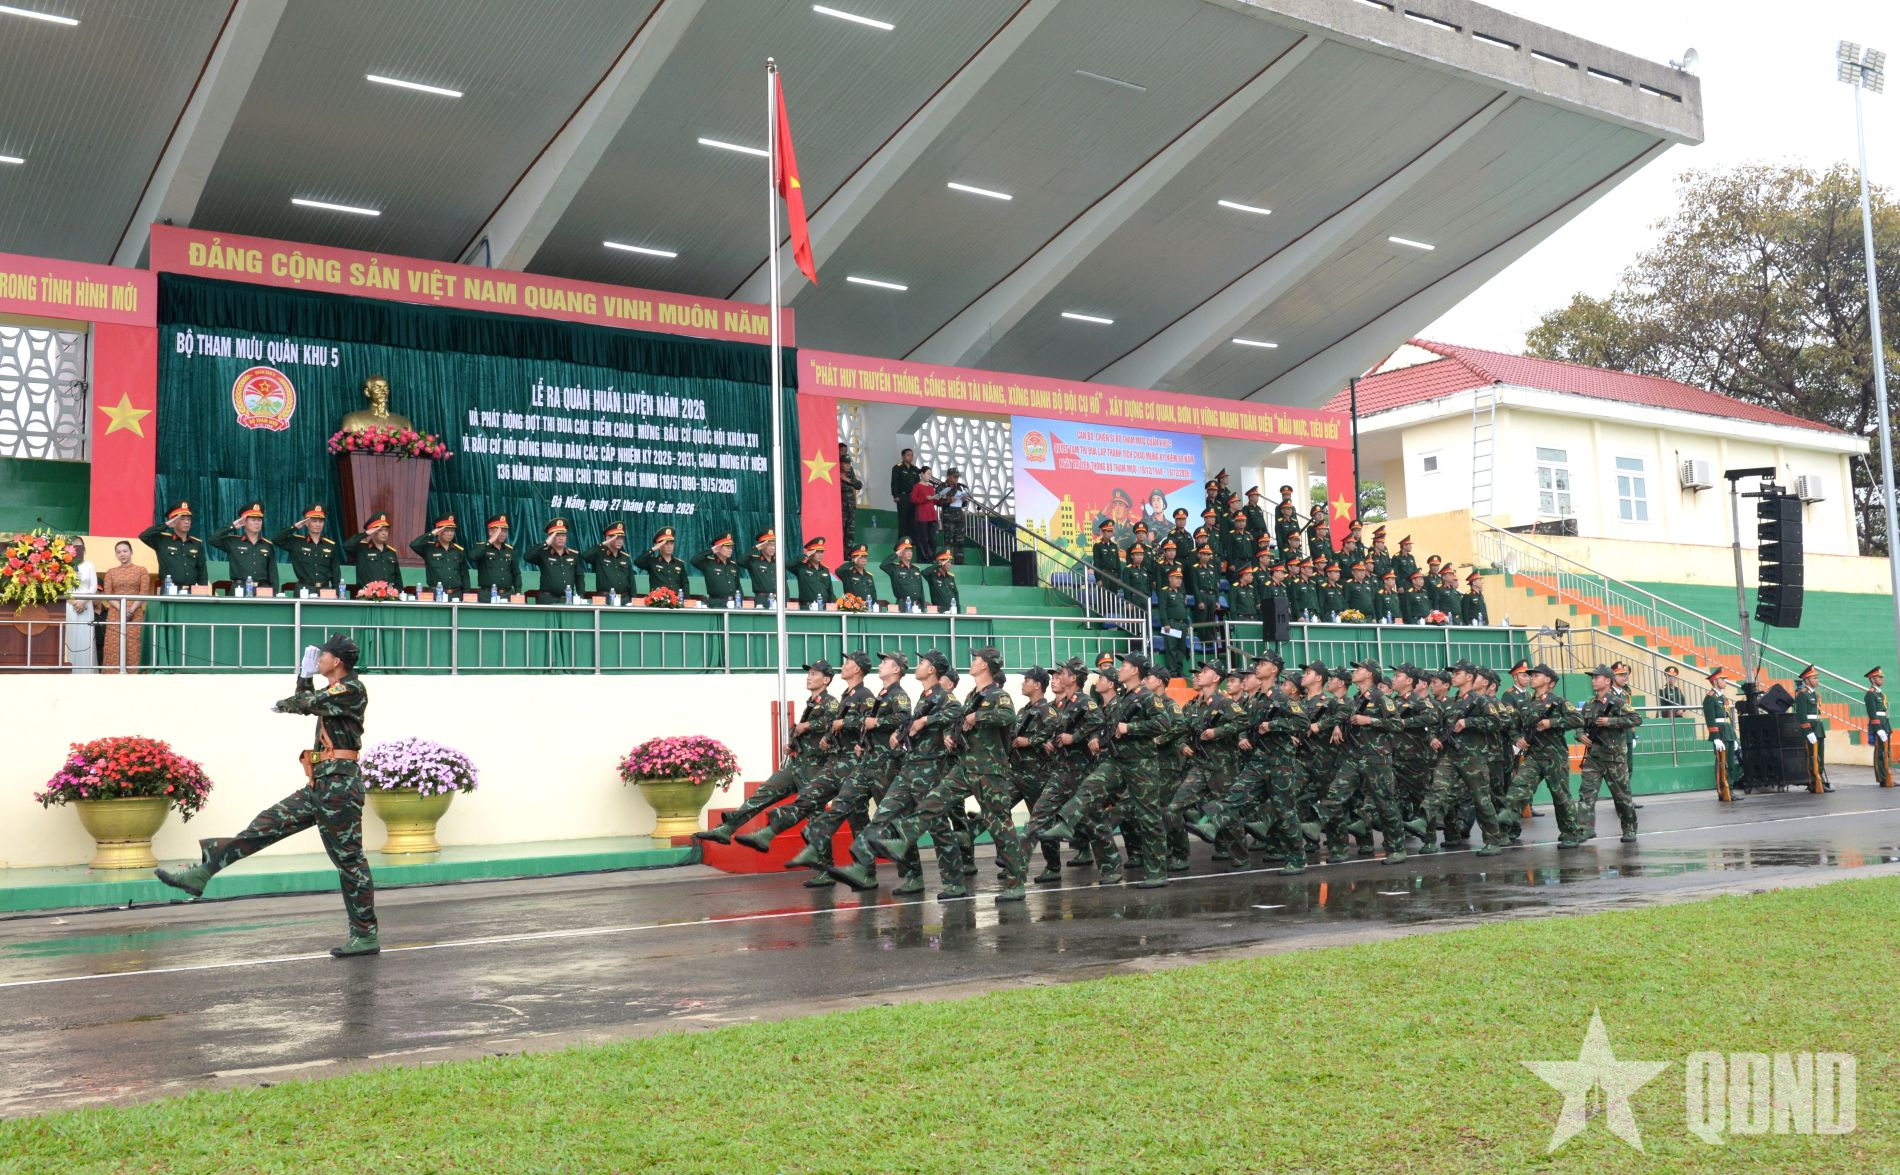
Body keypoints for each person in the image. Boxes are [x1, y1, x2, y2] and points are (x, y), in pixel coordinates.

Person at [154, 634, 378, 957]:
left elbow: (307, 704)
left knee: (349, 861)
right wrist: (303, 680)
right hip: (321, 785)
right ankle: (204, 871)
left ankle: (365, 934)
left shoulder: (352, 690)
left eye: (324, 654)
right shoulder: (334, 691)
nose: (320, 659)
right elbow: (309, 701)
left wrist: (293, 693)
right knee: (265, 825)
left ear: (338, 661)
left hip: (340, 789)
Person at [911, 647, 1027, 901]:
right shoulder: (972, 695)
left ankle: (1015, 884)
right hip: (965, 767)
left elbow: (1007, 716)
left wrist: (978, 716)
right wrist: (950, 736)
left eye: (976, 659)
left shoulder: (998, 694)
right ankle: (953, 882)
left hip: (990, 770)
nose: (972, 662)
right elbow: (960, 723)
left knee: (1000, 826)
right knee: (934, 802)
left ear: (985, 666)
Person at [796, 651, 912, 886]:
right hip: (866, 762)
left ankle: (912, 874)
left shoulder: (894, 695)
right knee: (846, 806)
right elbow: (865, 725)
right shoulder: (879, 694)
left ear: (897, 669)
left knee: (892, 820)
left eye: (886, 663)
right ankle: (863, 870)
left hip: (885, 765)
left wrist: (871, 723)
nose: (881, 665)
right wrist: (860, 742)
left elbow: (904, 719)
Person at [697, 661, 841, 847]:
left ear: (826, 680)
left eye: (814, 674)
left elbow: (834, 723)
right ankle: (728, 828)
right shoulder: (812, 703)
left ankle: (823, 867)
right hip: (798, 763)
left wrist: (808, 725)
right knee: (764, 793)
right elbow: (804, 732)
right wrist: (793, 743)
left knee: (815, 814)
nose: (809, 676)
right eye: (809, 673)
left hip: (815, 767)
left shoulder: (830, 701)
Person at [1499, 664, 1579, 841]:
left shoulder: (1559, 701)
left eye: (1536, 675)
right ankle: (1509, 824)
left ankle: (1570, 833)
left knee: (1561, 796)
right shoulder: (1526, 703)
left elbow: (1577, 719)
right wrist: (1516, 737)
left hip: (1554, 756)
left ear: (1548, 680)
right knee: (1518, 787)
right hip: (1533, 755)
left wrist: (1552, 723)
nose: (1532, 677)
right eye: (1531, 675)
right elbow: (1512, 724)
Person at [1574, 664, 1643, 844]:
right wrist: (1580, 735)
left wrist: (1610, 721)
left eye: (1597, 677)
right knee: (1586, 794)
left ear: (1607, 680)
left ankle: (1629, 828)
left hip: (1614, 758)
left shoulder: (1617, 702)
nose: (1594, 680)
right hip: (1594, 757)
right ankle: (1584, 829)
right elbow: (1580, 726)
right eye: (1593, 678)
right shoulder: (1589, 704)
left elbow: (1636, 719)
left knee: (1621, 796)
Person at [98, 540, 150, 673]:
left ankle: (135, 674)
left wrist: (131, 610)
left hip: (135, 612)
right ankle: (112, 674)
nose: (122, 554)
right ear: (116, 555)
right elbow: (108, 594)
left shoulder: (141, 570)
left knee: (134, 644)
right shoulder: (111, 572)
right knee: (114, 644)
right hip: (116, 612)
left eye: (125, 551)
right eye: (119, 552)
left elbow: (143, 592)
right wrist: (123, 609)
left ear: (131, 552)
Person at [275, 505, 344, 594]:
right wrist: (294, 527)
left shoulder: (330, 546)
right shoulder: (297, 543)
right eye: (314, 521)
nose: (318, 524)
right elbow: (276, 539)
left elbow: (336, 574)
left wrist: (337, 594)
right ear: (306, 523)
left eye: (321, 521)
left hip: (325, 590)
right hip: (304, 590)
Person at [139, 500, 208, 590]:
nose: (187, 522)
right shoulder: (162, 540)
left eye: (189, 519)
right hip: (170, 589)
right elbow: (143, 536)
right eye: (182, 519)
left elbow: (202, 571)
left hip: (191, 591)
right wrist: (166, 525)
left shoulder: (196, 543)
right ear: (173, 521)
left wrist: (202, 592)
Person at [213, 503, 276, 591]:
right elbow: (213, 539)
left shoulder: (267, 545)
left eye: (259, 520)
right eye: (253, 520)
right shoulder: (233, 542)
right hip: (240, 588)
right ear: (244, 522)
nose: (257, 523)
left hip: (262, 589)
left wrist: (274, 594)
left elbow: (273, 574)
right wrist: (232, 526)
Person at [524, 517, 584, 604]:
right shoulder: (543, 553)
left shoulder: (573, 555)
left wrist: (581, 596)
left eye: (563, 535)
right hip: (547, 599)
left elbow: (579, 577)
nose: (561, 538)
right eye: (557, 535)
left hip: (567, 599)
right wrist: (545, 543)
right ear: (551, 537)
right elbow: (527, 557)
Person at [1704, 667, 1742, 802]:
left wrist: (1734, 737)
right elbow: (1710, 719)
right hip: (1720, 734)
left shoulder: (1723, 697)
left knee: (1731, 763)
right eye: (1722, 679)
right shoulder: (1710, 698)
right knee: (1722, 764)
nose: (1725, 682)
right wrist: (1715, 738)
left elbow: (1727, 718)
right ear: (1715, 681)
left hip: (1728, 732)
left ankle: (1730, 789)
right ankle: (1722, 791)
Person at [342, 512, 403, 594]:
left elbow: (398, 579)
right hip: (368, 597)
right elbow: (347, 545)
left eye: (386, 530)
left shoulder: (391, 552)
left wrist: (397, 591)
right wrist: (366, 533)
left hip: (389, 597)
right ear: (372, 531)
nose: (384, 533)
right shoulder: (362, 549)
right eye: (380, 530)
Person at [409, 514, 469, 596]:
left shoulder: (458, 550)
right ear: (439, 532)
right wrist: (433, 533)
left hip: (456, 595)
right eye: (447, 530)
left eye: (452, 530)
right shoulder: (429, 548)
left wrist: (466, 595)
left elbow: (464, 575)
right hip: (436, 594)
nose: (450, 533)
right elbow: (414, 544)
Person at [1793, 664, 1830, 792]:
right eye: (1814, 678)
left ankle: (1820, 780)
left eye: (1817, 678)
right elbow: (1802, 715)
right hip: (1810, 729)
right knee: (1812, 757)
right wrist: (1808, 732)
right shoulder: (1803, 694)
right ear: (1807, 680)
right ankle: (1813, 783)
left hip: (1818, 728)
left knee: (1819, 756)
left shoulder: (1814, 694)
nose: (1817, 680)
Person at [63, 538, 97, 672]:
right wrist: (73, 602)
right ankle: (70, 670)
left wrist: (83, 601)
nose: (76, 548)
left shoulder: (89, 565)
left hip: (86, 606)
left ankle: (86, 671)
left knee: (85, 638)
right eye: (74, 546)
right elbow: (61, 588)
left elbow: (93, 586)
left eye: (79, 546)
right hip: (69, 607)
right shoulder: (64, 565)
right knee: (71, 638)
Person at [470, 514, 520, 600]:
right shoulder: (482, 547)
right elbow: (473, 556)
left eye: (505, 531)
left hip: (507, 594)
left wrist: (518, 591)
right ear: (490, 532)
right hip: (487, 595)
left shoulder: (510, 550)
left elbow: (516, 573)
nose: (503, 534)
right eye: (499, 531)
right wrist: (490, 542)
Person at [584, 522, 636, 601]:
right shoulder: (599, 554)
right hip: (605, 598)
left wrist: (633, 599)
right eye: (616, 538)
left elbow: (631, 580)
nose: (620, 541)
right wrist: (604, 544)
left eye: (621, 538)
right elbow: (585, 556)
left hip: (624, 598)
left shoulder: (625, 557)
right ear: (608, 538)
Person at [1154, 567, 1190, 678]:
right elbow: (1163, 609)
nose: (1179, 580)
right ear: (1170, 579)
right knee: (1171, 648)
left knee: (1181, 649)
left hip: (1182, 624)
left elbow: (1184, 609)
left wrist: (1187, 625)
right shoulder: (1165, 591)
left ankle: (1179, 670)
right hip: (1171, 624)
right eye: (1176, 578)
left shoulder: (1181, 593)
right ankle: (1172, 672)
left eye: (1180, 578)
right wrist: (1165, 623)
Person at [693, 534, 746, 605]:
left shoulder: (733, 565)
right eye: (727, 547)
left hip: (733, 603)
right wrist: (711, 550)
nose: (730, 550)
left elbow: (738, 586)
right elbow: (694, 560)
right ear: (718, 548)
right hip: (715, 603)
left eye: (731, 548)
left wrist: (741, 602)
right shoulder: (708, 563)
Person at [634, 527, 688, 596]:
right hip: (657, 602)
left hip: (676, 602)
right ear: (660, 546)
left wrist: (687, 600)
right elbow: (637, 562)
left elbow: (685, 583)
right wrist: (653, 549)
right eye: (666, 543)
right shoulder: (652, 562)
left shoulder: (679, 564)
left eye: (671, 543)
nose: (669, 546)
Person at [880, 538, 926, 610]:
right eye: (907, 551)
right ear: (900, 553)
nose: (910, 553)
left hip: (917, 606)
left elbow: (921, 591)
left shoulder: (916, 569)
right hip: (902, 606)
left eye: (911, 551)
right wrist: (896, 554)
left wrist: (923, 607)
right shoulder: (895, 568)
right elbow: (883, 565)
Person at [1866, 667, 1892, 789]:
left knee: (1886, 752)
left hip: (1884, 723)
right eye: (1879, 677)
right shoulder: (1870, 694)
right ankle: (1881, 778)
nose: (1882, 679)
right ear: (1872, 679)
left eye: (1882, 677)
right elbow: (1872, 713)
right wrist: (1878, 728)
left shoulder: (1881, 694)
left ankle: (1887, 775)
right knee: (1879, 753)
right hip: (1878, 725)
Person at [891, 448, 922, 547]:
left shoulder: (915, 469)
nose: (910, 457)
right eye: (908, 455)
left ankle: (912, 541)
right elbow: (894, 482)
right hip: (903, 496)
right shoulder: (897, 468)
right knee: (903, 519)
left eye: (911, 455)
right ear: (903, 456)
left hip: (913, 497)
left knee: (913, 519)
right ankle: (902, 541)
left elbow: (918, 484)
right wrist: (895, 495)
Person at [792, 538, 836, 609]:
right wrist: (806, 555)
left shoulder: (825, 570)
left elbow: (830, 591)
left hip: (824, 608)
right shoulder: (801, 568)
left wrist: (834, 605)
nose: (820, 554)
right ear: (811, 553)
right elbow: (788, 565)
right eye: (817, 552)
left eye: (822, 552)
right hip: (807, 607)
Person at [908, 465, 940, 561]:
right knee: (923, 539)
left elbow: (934, 501)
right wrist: (925, 498)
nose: (930, 476)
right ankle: (923, 558)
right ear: (921, 474)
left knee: (932, 539)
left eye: (931, 474)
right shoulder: (917, 486)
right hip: (922, 516)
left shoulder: (931, 487)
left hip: (932, 516)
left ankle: (931, 557)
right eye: (928, 474)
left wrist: (940, 498)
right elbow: (913, 500)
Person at [937, 468, 969, 562]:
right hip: (948, 516)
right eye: (954, 477)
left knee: (959, 540)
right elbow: (939, 501)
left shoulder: (959, 487)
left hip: (959, 516)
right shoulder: (941, 487)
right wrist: (948, 500)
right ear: (948, 476)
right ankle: (947, 561)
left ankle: (959, 562)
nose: (956, 479)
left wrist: (964, 501)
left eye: (957, 477)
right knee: (948, 540)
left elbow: (963, 504)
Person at [744, 530, 778, 603]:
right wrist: (756, 548)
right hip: (762, 599)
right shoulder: (754, 561)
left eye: (774, 545)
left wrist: (785, 601)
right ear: (762, 546)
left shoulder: (778, 562)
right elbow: (740, 561)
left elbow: (784, 584)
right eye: (769, 545)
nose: (773, 548)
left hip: (778, 599)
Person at [839, 452, 863, 548]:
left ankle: (848, 553)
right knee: (840, 531)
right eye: (845, 463)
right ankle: (839, 552)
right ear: (840, 463)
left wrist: (846, 479)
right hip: (841, 509)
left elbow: (858, 485)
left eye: (849, 463)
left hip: (850, 508)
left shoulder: (850, 475)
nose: (848, 465)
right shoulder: (835, 475)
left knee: (850, 532)